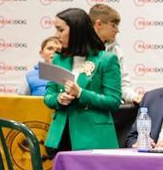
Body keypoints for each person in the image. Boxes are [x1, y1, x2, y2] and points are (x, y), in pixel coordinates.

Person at [43, 8, 122, 154]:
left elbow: (114, 101)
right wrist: (59, 98)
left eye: (60, 30)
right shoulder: (58, 59)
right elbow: (48, 96)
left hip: (94, 139)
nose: (56, 35)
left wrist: (81, 93)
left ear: (76, 30)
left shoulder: (106, 60)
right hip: (61, 136)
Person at [89, 3, 138, 104]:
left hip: (110, 108)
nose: (117, 30)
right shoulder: (78, 49)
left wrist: (134, 97)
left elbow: (122, 85)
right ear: (98, 24)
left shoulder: (116, 51)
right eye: (113, 25)